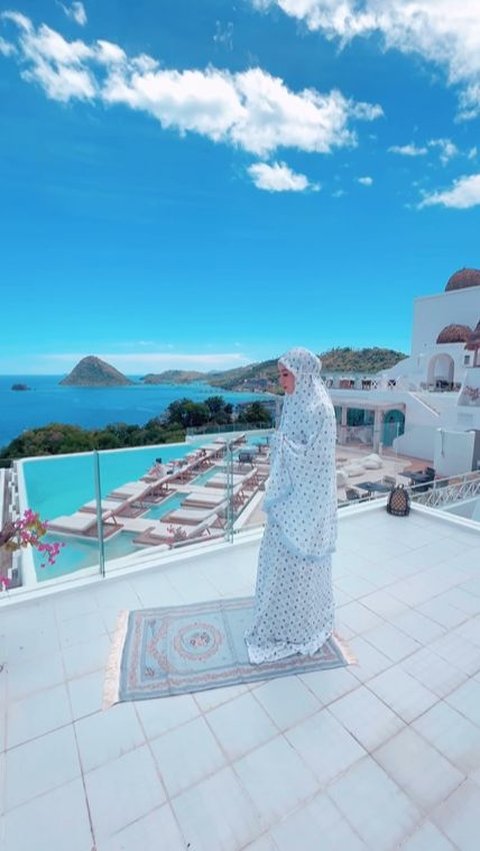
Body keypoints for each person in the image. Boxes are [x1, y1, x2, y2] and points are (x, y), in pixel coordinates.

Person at [245, 347, 337, 664]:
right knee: (277, 560)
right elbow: (292, 442)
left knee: (297, 566)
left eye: (286, 375)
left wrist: (283, 445)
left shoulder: (321, 409)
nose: (282, 382)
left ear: (302, 374)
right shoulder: (294, 402)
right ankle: (276, 616)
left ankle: (299, 624)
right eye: (280, 375)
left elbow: (317, 462)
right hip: (288, 501)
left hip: (307, 506)